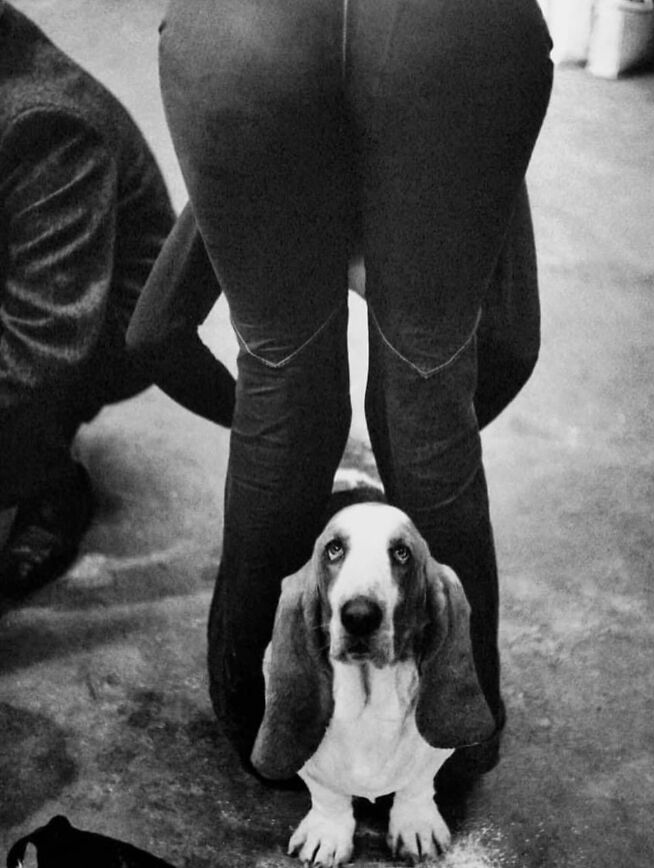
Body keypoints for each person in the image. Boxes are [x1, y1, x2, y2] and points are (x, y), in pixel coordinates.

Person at [128, 0, 553, 779]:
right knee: (426, 397)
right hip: (453, 33)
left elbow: (153, 334)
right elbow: (515, 344)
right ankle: (459, 738)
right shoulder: (460, 190)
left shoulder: (269, 177)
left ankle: (258, 725)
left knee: (285, 396)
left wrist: (261, 425)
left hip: (247, 33)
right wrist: (421, 439)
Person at [0, 1, 175, 597]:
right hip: (35, 273)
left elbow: (42, 347)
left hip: (102, 325)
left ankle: (46, 481)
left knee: (35, 389)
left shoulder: (43, 119)